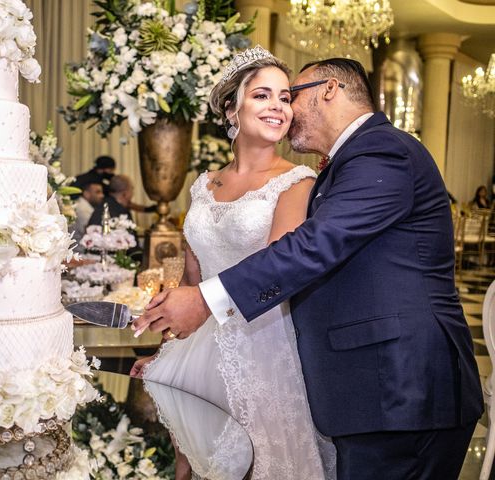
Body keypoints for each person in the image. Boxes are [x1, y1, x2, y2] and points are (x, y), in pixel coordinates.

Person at [133, 57, 484, 480]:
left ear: (329, 90)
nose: (286, 110)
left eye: (290, 95)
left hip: (403, 388)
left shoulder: (383, 151)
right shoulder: (350, 161)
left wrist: (208, 299)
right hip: (373, 387)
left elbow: (313, 246)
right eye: (265, 96)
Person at [131, 47, 335, 479]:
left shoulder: (297, 182)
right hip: (200, 346)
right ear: (232, 108)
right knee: (193, 463)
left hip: (262, 345)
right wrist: (168, 351)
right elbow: (192, 277)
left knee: (254, 464)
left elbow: (280, 271)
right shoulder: (203, 184)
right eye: (262, 95)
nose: (278, 107)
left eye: (285, 97)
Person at [71, 180, 105, 247]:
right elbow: (92, 233)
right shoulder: (82, 209)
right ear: (87, 194)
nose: (102, 195)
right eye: (98, 192)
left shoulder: (85, 205)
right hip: (80, 252)